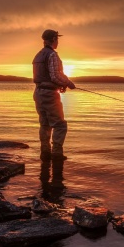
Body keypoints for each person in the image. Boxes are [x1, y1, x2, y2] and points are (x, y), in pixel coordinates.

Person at [32, 29, 76, 162]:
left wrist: (59, 85)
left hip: (38, 92)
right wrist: (68, 83)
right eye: (57, 39)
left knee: (44, 124)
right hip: (49, 94)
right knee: (60, 124)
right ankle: (57, 155)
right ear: (53, 39)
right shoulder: (52, 55)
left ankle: (45, 153)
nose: (58, 42)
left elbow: (44, 77)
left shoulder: (38, 55)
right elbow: (55, 75)